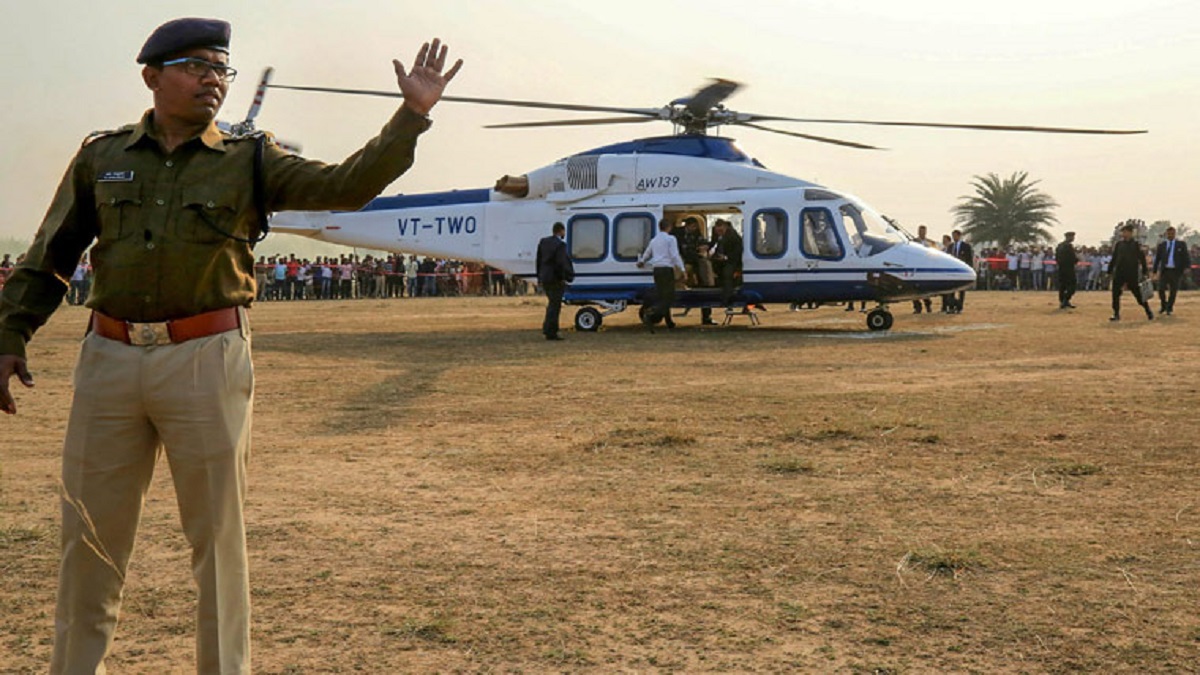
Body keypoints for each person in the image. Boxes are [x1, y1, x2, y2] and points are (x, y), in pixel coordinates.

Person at [0, 18, 461, 674]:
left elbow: (344, 186)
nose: (213, 78)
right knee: (88, 539)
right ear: (152, 77)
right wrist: (10, 334)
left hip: (205, 361)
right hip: (108, 359)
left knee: (217, 543)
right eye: (196, 65)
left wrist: (410, 116)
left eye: (222, 68)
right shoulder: (103, 157)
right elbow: (50, 257)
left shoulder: (250, 157)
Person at [638, 219, 685, 331]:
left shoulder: (654, 240)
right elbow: (674, 255)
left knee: (662, 295)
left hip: (657, 270)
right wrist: (682, 269)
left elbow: (648, 252)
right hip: (666, 269)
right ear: (669, 227)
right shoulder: (670, 239)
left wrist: (642, 261)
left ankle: (669, 322)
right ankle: (651, 313)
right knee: (669, 297)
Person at [536, 222, 574, 340]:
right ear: (561, 231)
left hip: (545, 277)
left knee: (552, 303)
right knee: (555, 305)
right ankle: (551, 330)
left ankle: (548, 328)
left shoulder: (543, 242)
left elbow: (538, 260)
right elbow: (560, 263)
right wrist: (564, 277)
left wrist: (539, 277)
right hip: (555, 279)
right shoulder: (560, 245)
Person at [1108, 223, 1153, 321]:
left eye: (1126, 232)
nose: (1124, 234)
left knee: (1138, 295)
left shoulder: (1136, 245)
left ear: (1131, 233)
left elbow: (1142, 259)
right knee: (1115, 294)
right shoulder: (1119, 244)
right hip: (1119, 273)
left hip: (1131, 274)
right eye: (1123, 232)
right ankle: (1116, 314)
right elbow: (1114, 258)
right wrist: (1110, 270)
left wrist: (1145, 271)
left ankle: (1148, 311)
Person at [1152, 226, 1190, 316]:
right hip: (1165, 270)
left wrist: (1187, 267)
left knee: (1173, 290)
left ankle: (1169, 307)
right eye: (1169, 233)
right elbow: (1157, 259)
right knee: (1160, 289)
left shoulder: (1181, 244)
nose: (1170, 235)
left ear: (1175, 234)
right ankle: (1164, 305)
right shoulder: (1162, 245)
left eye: (1172, 233)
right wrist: (1154, 270)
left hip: (1176, 271)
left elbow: (1186, 257)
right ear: (1166, 234)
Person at [948, 230, 974, 313]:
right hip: (952, 271)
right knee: (951, 290)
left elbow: (969, 259)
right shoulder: (950, 246)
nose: (954, 237)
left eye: (955, 236)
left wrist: (969, 270)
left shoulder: (966, 246)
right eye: (953, 236)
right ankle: (951, 307)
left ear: (959, 236)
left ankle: (960, 308)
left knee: (961, 290)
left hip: (962, 271)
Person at [910, 225, 934, 313]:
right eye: (920, 231)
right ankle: (917, 307)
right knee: (913, 289)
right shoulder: (914, 242)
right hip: (915, 268)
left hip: (926, 267)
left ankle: (928, 305)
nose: (921, 233)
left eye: (923, 231)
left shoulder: (929, 243)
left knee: (925, 289)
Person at [1055, 232, 1079, 309]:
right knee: (1072, 285)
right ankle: (1066, 299)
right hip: (1069, 269)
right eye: (1072, 237)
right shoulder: (1068, 246)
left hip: (1061, 269)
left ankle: (1063, 301)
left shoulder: (1059, 246)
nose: (1073, 238)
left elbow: (1057, 258)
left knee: (1062, 286)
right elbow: (1073, 258)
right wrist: (1076, 260)